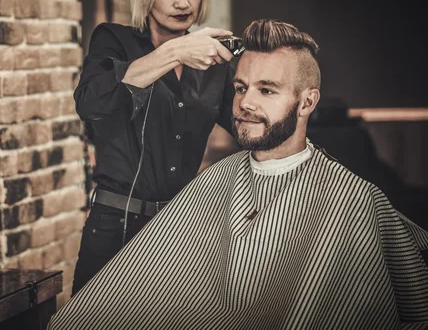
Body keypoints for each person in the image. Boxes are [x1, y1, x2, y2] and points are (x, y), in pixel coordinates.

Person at [48, 19, 428, 329]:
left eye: (267, 90)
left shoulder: (351, 199)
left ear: (307, 101)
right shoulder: (213, 183)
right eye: (241, 88)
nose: (245, 103)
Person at [71, 0, 238, 295]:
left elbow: (244, 125)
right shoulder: (113, 40)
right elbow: (90, 103)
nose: (183, 2)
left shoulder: (213, 59)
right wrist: (176, 52)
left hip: (181, 227)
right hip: (114, 225)